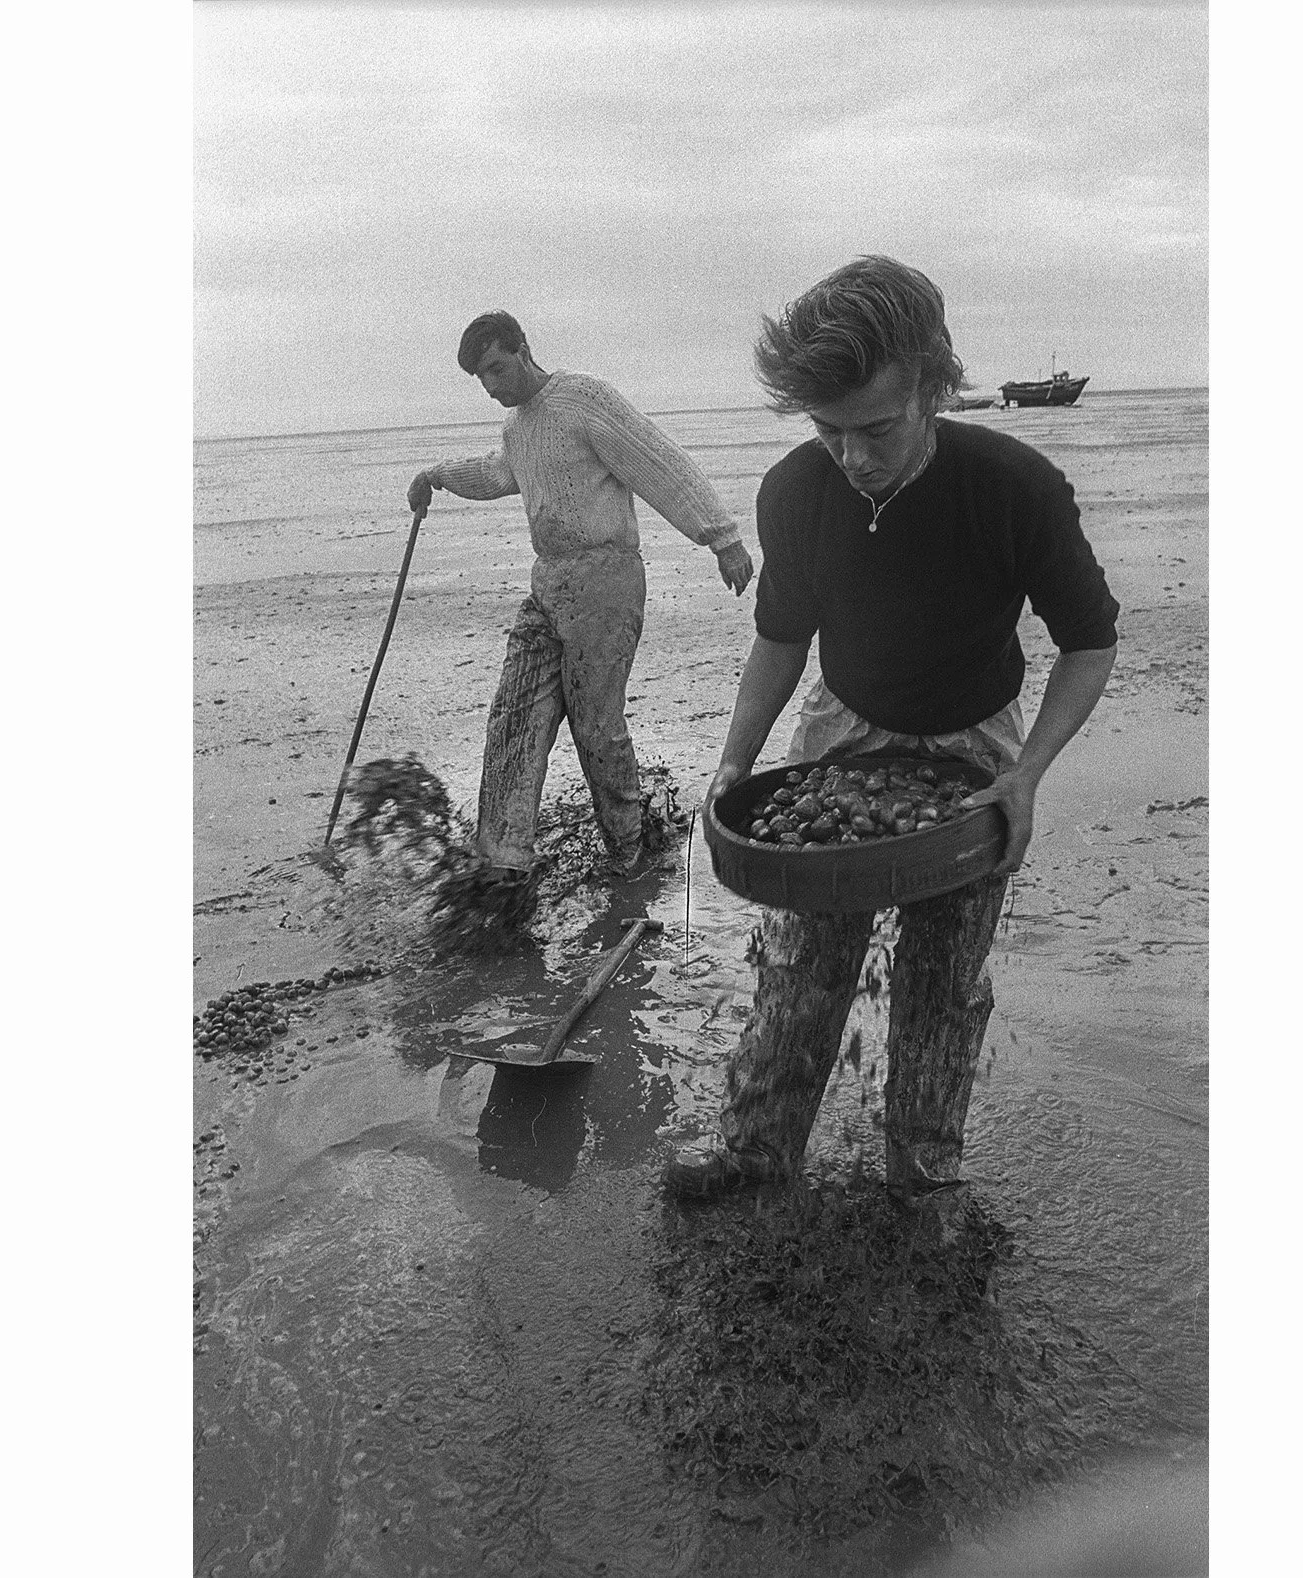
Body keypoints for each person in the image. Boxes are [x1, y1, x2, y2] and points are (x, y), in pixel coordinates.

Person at [665, 256, 1121, 1205]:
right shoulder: (795, 490)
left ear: (935, 385)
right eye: (828, 431)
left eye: (875, 427)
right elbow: (781, 636)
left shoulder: (1015, 486)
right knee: (801, 962)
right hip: (842, 727)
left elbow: (1089, 643)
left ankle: (921, 1173)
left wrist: (1028, 774)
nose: (851, 456)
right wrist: (734, 761)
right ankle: (754, 1155)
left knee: (943, 984)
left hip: (974, 743)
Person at [409, 312, 755, 881]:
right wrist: (438, 474)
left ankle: (628, 849)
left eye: (497, 368)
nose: (492, 385)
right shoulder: (517, 428)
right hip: (549, 582)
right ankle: (501, 861)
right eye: (481, 378)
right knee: (514, 713)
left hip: (606, 580)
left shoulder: (583, 398)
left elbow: (656, 460)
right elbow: (501, 473)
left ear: (524, 350)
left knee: (595, 725)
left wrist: (721, 538)